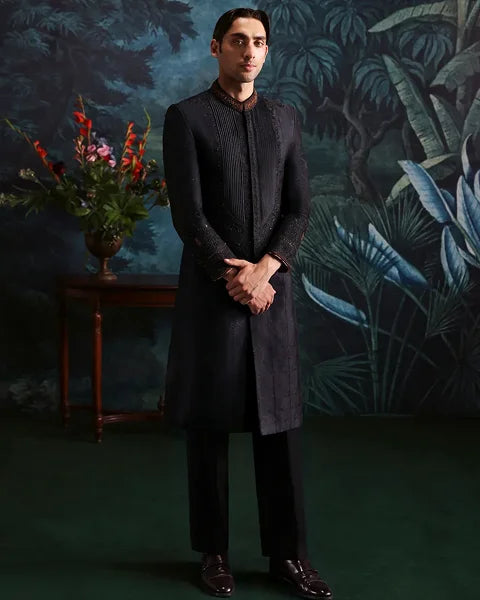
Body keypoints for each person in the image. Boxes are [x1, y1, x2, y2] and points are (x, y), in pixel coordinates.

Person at [162, 7, 332, 599]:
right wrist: (234, 275)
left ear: (267, 50)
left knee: (279, 426)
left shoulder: (285, 118)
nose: (250, 51)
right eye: (238, 41)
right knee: (209, 425)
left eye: (259, 42)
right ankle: (213, 554)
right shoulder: (185, 118)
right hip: (214, 294)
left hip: (271, 292)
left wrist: (265, 270)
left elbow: (299, 208)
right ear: (216, 48)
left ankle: (289, 556)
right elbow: (189, 215)